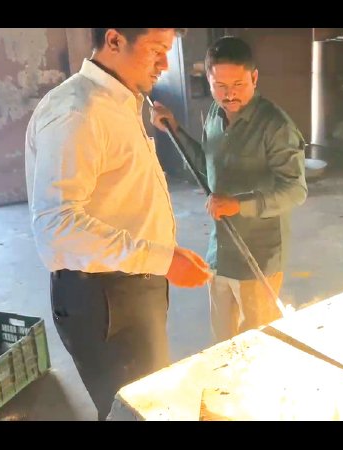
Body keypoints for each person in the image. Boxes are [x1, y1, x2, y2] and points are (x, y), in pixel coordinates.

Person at [24, 28, 211, 420]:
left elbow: (121, 195)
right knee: (137, 409)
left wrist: (161, 252)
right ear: (113, 40)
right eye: (156, 50)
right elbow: (57, 226)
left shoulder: (121, 100)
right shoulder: (78, 111)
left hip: (132, 282)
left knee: (150, 398)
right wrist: (161, 259)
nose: (164, 63)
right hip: (105, 298)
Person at [151, 36, 307, 343]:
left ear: (254, 78)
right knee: (223, 342)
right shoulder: (214, 114)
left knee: (258, 342)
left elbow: (294, 190)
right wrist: (175, 129)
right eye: (220, 85)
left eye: (238, 84)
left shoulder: (276, 126)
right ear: (209, 81)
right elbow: (206, 167)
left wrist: (239, 204)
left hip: (258, 257)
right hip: (220, 253)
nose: (229, 94)